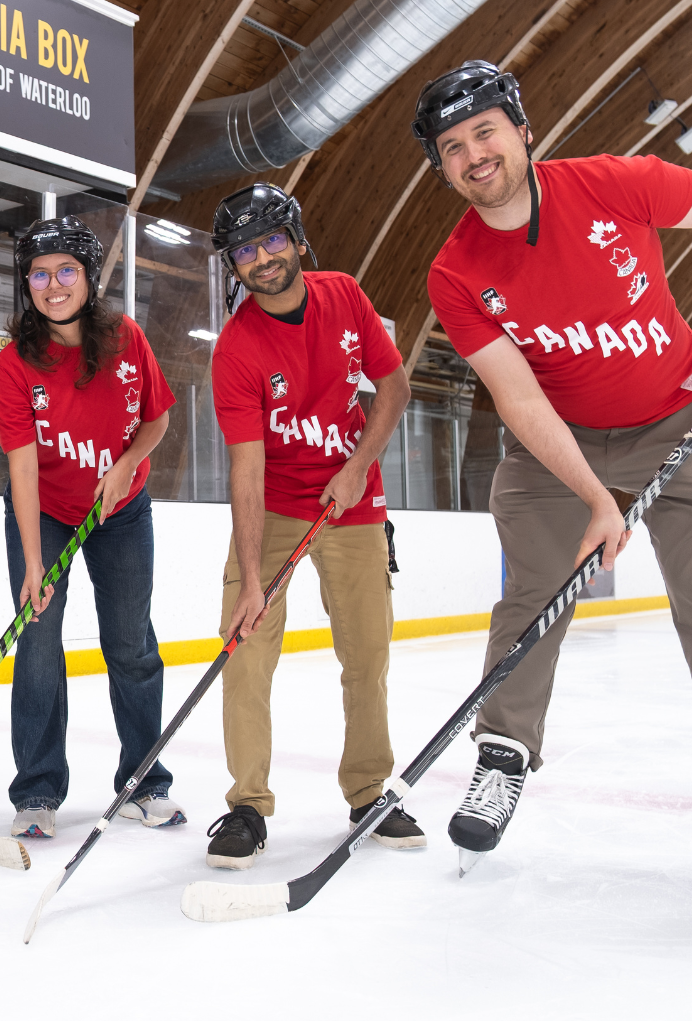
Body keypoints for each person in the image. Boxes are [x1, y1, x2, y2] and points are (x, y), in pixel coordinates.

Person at [411, 60, 692, 886]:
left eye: (485, 131)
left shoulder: (610, 184)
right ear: (443, 168)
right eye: (452, 147)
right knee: (532, 598)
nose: (473, 154)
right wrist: (598, 499)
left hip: (678, 417)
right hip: (556, 442)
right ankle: (504, 753)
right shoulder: (455, 273)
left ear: (521, 132)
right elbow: (521, 401)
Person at [205, 182, 418, 870]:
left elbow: (395, 387)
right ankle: (246, 805)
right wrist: (250, 578)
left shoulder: (346, 296)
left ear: (297, 240)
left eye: (272, 240)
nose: (262, 258)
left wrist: (358, 466)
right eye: (245, 250)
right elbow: (245, 472)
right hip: (274, 508)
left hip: (354, 502)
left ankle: (368, 792)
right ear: (234, 266)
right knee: (246, 648)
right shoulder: (236, 349)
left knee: (367, 654)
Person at [0, 216, 181, 840]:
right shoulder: (16, 363)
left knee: (131, 643)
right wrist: (30, 565)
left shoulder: (127, 337)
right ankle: (38, 789)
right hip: (44, 513)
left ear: (89, 278)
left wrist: (127, 465)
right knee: (39, 643)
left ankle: (143, 781)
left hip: (121, 511)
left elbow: (155, 420)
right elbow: (22, 471)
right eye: (40, 274)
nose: (53, 285)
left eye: (66, 271)